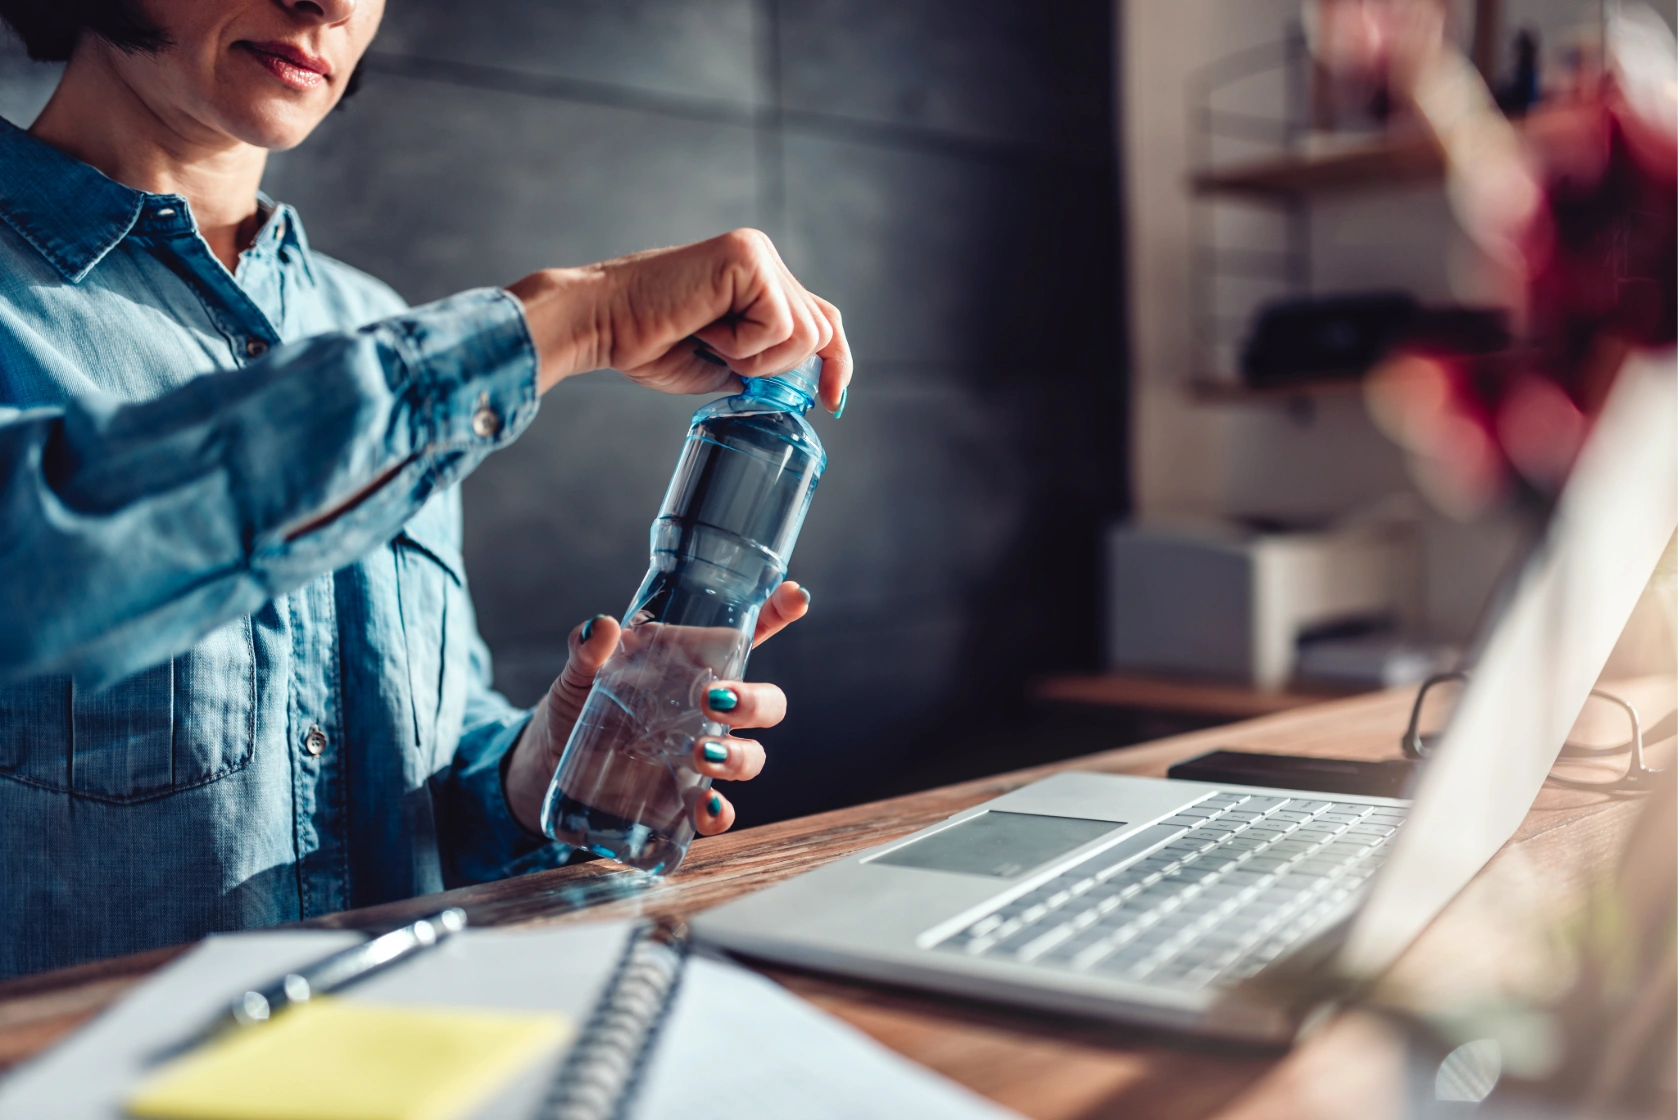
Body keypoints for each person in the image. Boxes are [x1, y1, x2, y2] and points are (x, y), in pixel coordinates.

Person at [0, 0, 852, 979]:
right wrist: (561, 325)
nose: (325, 3)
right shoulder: (451, 364)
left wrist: (535, 775)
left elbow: (403, 790)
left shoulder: (374, 323)